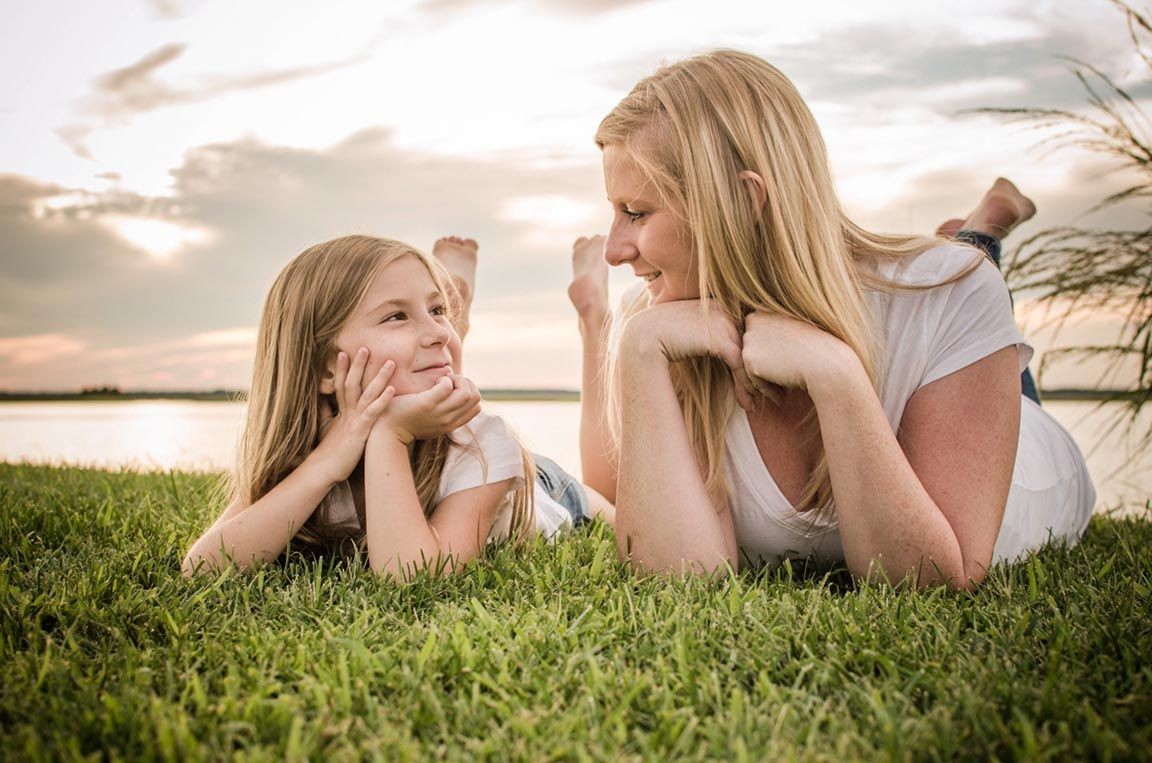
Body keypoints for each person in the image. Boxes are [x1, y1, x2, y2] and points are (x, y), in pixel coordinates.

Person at [567, 50, 1094, 589]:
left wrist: (836, 375)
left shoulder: (948, 291)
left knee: (975, 283)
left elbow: (931, 581)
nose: (613, 250)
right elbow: (679, 581)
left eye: (636, 212)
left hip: (1030, 459)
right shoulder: (665, 317)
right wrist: (637, 347)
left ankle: (979, 238)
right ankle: (977, 231)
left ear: (744, 200)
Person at [183, 235, 611, 580]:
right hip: (455, 451)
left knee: (611, 495)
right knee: (427, 361)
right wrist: (327, 461)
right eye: (396, 316)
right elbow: (202, 569)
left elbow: (412, 578)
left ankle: (594, 319)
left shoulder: (483, 441)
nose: (439, 332)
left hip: (549, 491)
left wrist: (390, 432)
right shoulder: (311, 443)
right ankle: (453, 290)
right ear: (327, 368)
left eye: (439, 310)